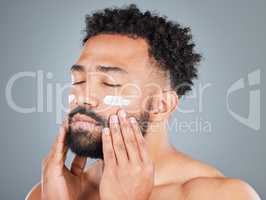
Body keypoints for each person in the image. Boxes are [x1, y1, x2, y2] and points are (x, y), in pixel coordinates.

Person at [26, 4, 260, 200]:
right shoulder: (49, 193)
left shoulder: (221, 195)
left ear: (161, 105)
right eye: (77, 80)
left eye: (109, 83)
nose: (83, 97)